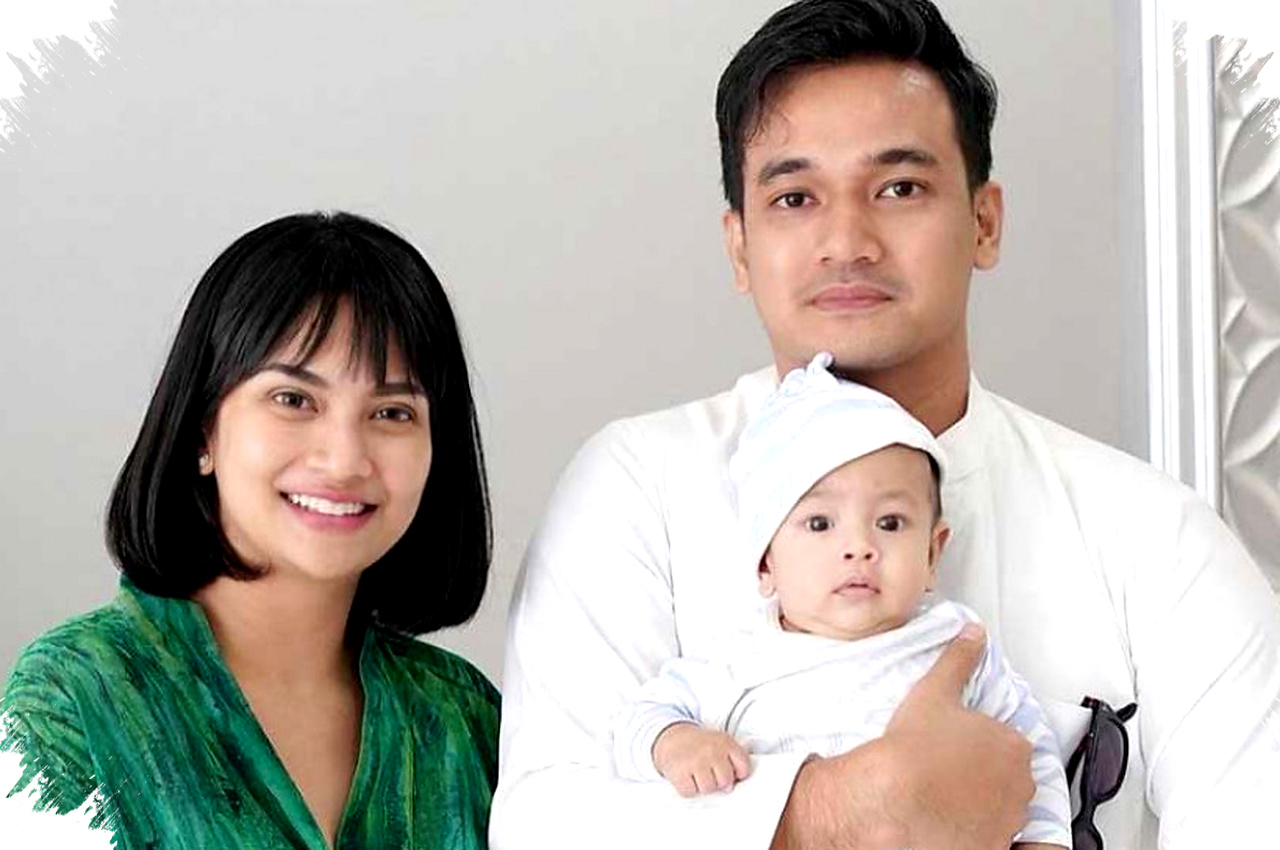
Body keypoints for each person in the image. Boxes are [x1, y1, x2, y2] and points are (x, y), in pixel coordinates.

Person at [490, 2, 1280, 849]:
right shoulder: (634, 488)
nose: (847, 242)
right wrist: (842, 808)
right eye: (795, 197)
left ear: (984, 221)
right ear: (739, 247)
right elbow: (543, 828)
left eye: (900, 188)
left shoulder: (1158, 539)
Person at [0, 211, 499, 849]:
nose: (345, 460)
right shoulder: (76, 702)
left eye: (392, 412)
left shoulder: (467, 723)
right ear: (201, 430)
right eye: (294, 400)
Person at [611, 353, 1070, 849]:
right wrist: (679, 743)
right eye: (820, 523)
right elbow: (639, 720)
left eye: (890, 522)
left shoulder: (953, 644)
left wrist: (1044, 840)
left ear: (932, 553)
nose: (858, 546)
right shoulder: (736, 659)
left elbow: (1028, 749)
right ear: (765, 563)